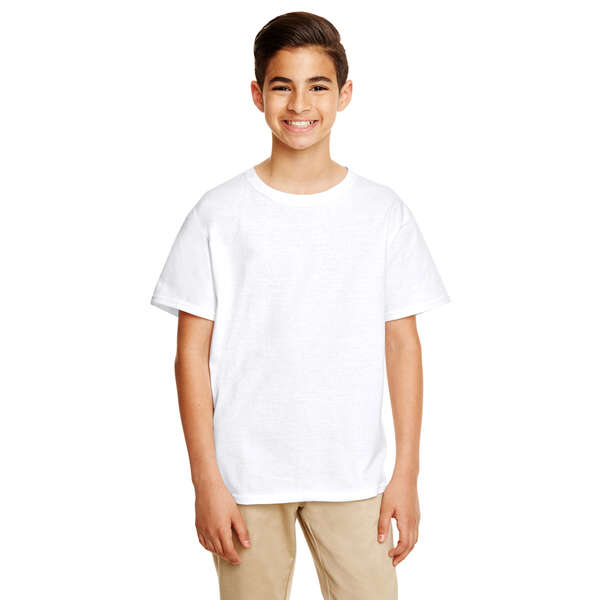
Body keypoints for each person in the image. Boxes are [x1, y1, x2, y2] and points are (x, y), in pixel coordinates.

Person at [150, 11, 450, 600]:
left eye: (317, 86)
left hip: (352, 473)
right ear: (257, 94)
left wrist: (406, 474)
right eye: (282, 86)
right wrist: (206, 481)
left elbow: (402, 346)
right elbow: (190, 357)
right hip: (245, 479)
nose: (299, 104)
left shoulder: (382, 213)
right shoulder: (218, 214)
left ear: (345, 94)